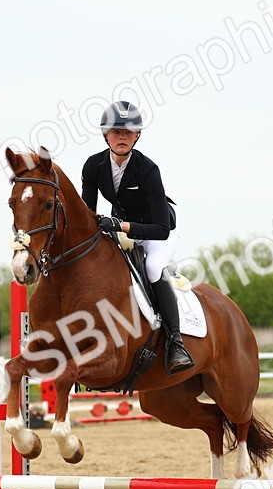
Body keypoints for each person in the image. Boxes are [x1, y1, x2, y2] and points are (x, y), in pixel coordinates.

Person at [81, 101, 194, 374]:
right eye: (116, 131)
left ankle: (176, 343)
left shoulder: (148, 169)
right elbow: (87, 215)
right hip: (121, 232)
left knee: (153, 267)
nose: (122, 137)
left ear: (137, 136)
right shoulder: (93, 166)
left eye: (128, 132)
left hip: (157, 235)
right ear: (105, 135)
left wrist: (121, 226)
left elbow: (162, 228)